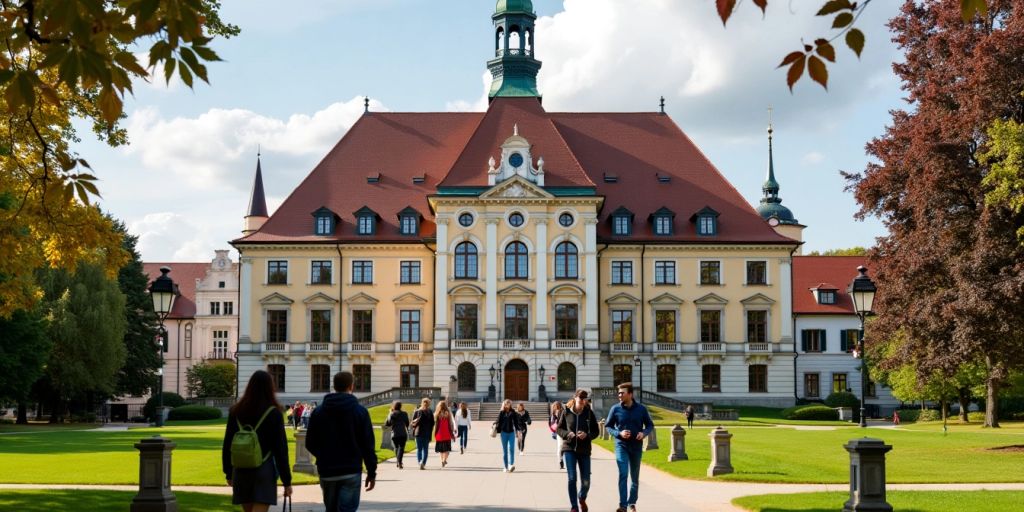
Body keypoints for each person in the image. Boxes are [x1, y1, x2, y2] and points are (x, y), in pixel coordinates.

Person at [221, 370, 292, 512]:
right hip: (263, 470)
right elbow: (280, 450)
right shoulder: (274, 413)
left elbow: (228, 444)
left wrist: (229, 472)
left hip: (241, 470)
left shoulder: (236, 411)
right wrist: (286, 481)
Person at [306, 372, 377, 512]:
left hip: (327, 470)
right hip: (351, 470)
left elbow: (310, 443)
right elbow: (368, 446)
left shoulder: (318, 412)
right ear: (351, 386)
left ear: (334, 386)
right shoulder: (360, 412)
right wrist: (371, 472)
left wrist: (323, 455)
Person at [605, 382, 654, 512]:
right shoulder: (615, 409)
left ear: (630, 394)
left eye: (622, 393)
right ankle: (623, 505)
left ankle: (632, 502)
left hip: (636, 446)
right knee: (623, 473)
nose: (619, 395)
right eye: (619, 393)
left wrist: (643, 433)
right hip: (621, 446)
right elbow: (608, 426)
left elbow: (650, 425)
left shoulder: (641, 409)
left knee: (634, 477)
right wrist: (618, 433)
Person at [557, 390, 600, 512]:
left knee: (586, 481)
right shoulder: (566, 412)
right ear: (575, 397)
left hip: (584, 450)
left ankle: (582, 497)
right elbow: (559, 429)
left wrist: (587, 435)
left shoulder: (589, 413)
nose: (583, 400)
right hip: (569, 448)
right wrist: (568, 434)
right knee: (572, 478)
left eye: (585, 398)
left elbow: (596, 431)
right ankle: (574, 507)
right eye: (580, 397)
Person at [493, 399, 522, 472]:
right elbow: (498, 420)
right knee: (505, 451)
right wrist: (494, 424)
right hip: (503, 433)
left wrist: (518, 430)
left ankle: (510, 465)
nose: (507, 405)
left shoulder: (513, 412)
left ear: (510, 404)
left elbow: (516, 422)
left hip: (511, 433)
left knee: (511, 449)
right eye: (506, 403)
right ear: (504, 404)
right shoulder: (502, 412)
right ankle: (505, 467)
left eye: (508, 403)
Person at [384, 401, 410, 469]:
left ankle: (398, 461)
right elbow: (407, 423)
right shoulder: (404, 414)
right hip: (402, 433)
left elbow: (387, 424)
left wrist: (390, 414)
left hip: (394, 433)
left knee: (396, 448)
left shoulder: (391, 414)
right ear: (400, 406)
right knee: (401, 448)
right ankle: (399, 462)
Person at [411, 397, 435, 470]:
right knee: (425, 450)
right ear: (429, 404)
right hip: (427, 433)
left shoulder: (417, 411)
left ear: (422, 403)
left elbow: (413, 423)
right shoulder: (430, 412)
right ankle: (423, 463)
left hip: (418, 433)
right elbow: (432, 423)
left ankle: (420, 461)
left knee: (419, 449)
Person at [433, 401, 456, 467]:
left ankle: (442, 460)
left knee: (441, 449)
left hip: (439, 433)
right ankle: (444, 460)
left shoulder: (437, 413)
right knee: (447, 449)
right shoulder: (448, 413)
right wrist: (452, 430)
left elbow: (434, 422)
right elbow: (451, 423)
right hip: (447, 433)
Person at [549, 400, 565, 469]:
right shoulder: (553, 415)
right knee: (560, 446)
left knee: (562, 447)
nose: (556, 408)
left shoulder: (563, 412)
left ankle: (562, 460)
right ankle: (560, 460)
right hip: (559, 432)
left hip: (564, 432)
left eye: (557, 406)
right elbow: (551, 424)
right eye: (555, 407)